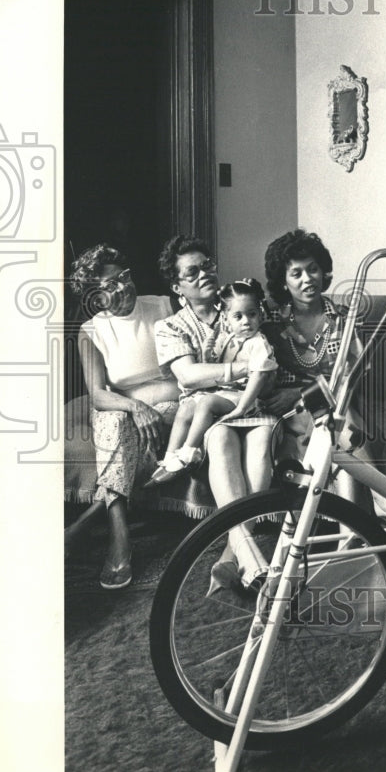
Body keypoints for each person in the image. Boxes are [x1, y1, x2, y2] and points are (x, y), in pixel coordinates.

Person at [153, 235, 278, 592]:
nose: (205, 274)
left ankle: (234, 554)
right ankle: (246, 558)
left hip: (255, 406)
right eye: (192, 272)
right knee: (220, 438)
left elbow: (267, 376)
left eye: (207, 265)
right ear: (177, 286)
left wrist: (256, 372)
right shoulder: (171, 326)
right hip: (212, 413)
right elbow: (189, 376)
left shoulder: (241, 305)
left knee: (263, 438)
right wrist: (246, 367)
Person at [261, 228, 386, 522]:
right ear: (283, 280)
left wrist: (303, 392)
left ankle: (354, 531)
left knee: (336, 421)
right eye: (296, 273)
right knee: (339, 421)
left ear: (323, 271)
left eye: (313, 269)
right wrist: (296, 395)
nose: (307, 279)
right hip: (291, 414)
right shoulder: (270, 321)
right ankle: (384, 499)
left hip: (339, 403)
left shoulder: (342, 317)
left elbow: (350, 376)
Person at [66, 244, 180, 589]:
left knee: (124, 429)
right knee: (113, 421)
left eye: (125, 277)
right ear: (96, 297)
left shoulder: (162, 305)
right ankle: (120, 535)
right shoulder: (92, 330)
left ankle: (84, 526)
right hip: (127, 409)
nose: (124, 286)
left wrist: (146, 407)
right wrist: (135, 407)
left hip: (173, 405)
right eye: (112, 284)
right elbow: (99, 394)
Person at [146, 278, 277, 487]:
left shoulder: (258, 342)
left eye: (251, 314)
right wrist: (207, 354)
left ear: (260, 315)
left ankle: (189, 451)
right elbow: (212, 371)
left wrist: (242, 408)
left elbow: (259, 375)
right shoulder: (229, 339)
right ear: (226, 318)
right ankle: (171, 457)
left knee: (206, 403)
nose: (246, 321)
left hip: (247, 398)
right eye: (238, 316)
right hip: (228, 393)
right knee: (187, 407)